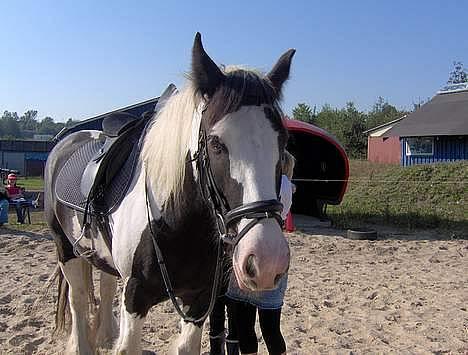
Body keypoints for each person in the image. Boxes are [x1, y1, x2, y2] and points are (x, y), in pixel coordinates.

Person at [225, 151, 296, 355]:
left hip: (253, 245)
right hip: (270, 245)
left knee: (247, 328)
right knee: (270, 329)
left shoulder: (274, 181)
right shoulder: (287, 184)